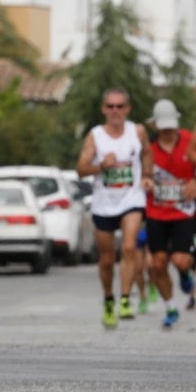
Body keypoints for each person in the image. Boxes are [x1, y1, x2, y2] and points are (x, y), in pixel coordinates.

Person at [77, 87, 152, 328]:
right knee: (107, 260)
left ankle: (126, 298)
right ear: (103, 110)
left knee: (130, 247)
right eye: (110, 107)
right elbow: (81, 169)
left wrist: (147, 175)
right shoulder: (95, 136)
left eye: (120, 106)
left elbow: (147, 154)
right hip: (104, 203)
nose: (115, 111)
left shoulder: (137, 131)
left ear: (127, 109)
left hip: (132, 198)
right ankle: (109, 299)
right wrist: (101, 165)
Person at [143, 99, 196, 329]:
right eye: (162, 126)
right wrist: (145, 182)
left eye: (170, 125)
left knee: (180, 260)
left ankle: (186, 274)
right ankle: (171, 308)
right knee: (158, 264)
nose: (167, 130)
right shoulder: (148, 150)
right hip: (156, 212)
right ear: (155, 125)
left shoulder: (190, 140)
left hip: (183, 212)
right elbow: (140, 174)